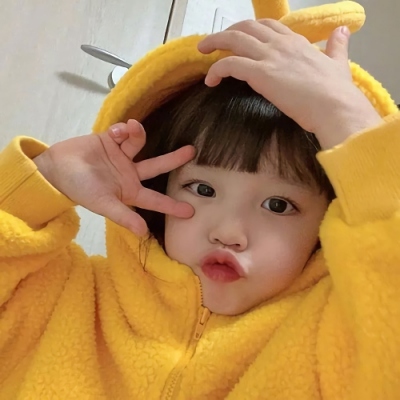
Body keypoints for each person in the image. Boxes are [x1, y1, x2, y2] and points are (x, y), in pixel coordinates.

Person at [1, 12, 399, 400]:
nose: (228, 232)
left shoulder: (343, 334)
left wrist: (347, 121)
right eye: (203, 189)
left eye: (278, 205)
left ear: (326, 223)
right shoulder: (63, 298)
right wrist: (41, 181)